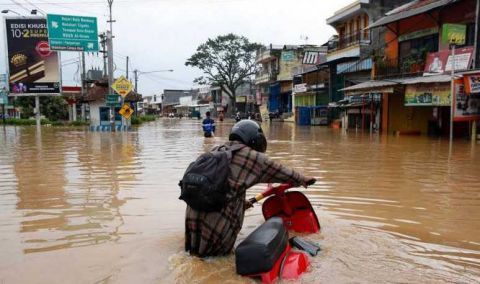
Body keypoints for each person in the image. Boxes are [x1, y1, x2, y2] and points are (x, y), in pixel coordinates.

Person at [185, 120, 315, 257]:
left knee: (193, 256)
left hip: (193, 212)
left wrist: (242, 203)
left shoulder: (218, 150)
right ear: (255, 139)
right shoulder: (253, 157)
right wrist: (302, 179)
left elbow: (227, 185)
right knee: (216, 259)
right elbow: (280, 171)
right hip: (217, 218)